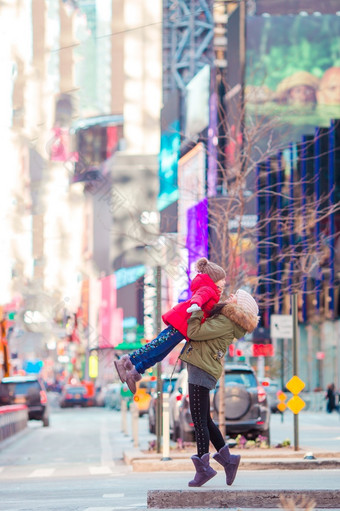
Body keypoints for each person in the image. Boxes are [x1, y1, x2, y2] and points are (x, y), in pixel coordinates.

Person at [179, 289, 259, 487]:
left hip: (202, 368)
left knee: (199, 420)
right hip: (202, 366)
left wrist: (196, 312)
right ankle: (229, 461)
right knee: (204, 419)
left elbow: (194, 332)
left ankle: (204, 468)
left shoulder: (225, 322)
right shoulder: (226, 319)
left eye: (234, 296)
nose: (230, 295)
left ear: (238, 305)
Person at [114, 257, 226, 393]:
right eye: (222, 279)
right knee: (157, 346)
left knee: (160, 353)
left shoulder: (213, 293)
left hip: (183, 329)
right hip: (180, 323)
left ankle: (135, 372)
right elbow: (199, 297)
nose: (224, 282)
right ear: (214, 279)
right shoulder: (208, 289)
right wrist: (196, 304)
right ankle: (127, 360)